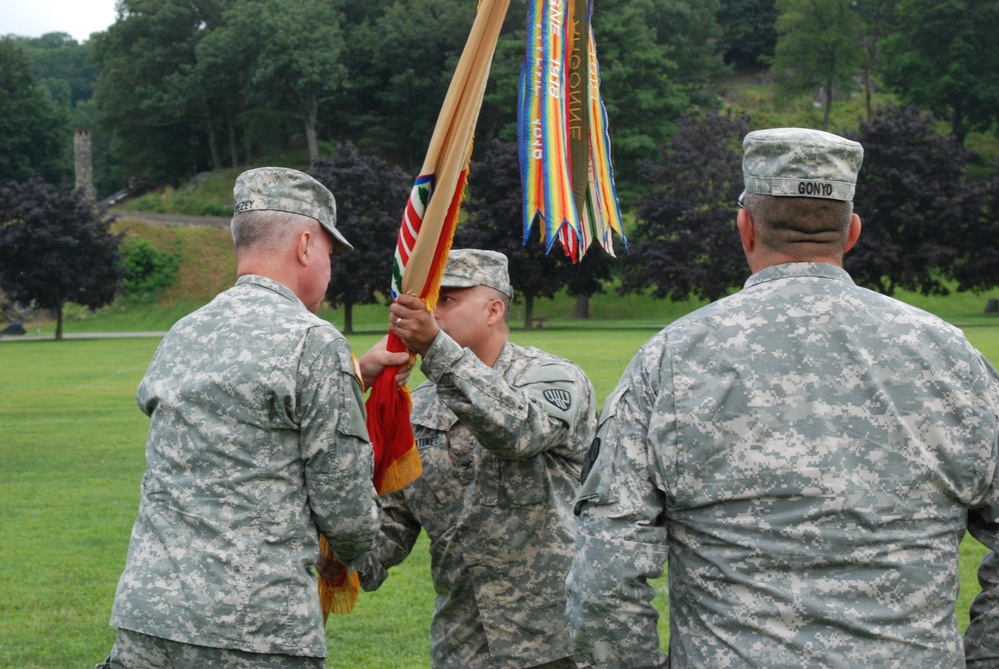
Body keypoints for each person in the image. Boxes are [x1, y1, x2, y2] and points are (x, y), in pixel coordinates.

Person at [567, 128, 999, 668]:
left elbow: (606, 570)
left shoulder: (672, 360)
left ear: (745, 227)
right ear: (853, 232)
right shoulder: (951, 358)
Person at [101, 167, 410, 669]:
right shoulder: (314, 341)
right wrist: (362, 557)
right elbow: (346, 513)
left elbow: (236, 415)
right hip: (254, 629)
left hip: (148, 619)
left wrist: (352, 375)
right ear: (306, 245)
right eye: (330, 255)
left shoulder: (183, 332)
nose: (329, 271)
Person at [356, 249, 598, 669]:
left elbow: (518, 432)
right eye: (428, 303)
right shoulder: (417, 408)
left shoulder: (551, 377)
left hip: (556, 640)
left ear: (494, 309)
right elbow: (389, 525)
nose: (430, 314)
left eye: (446, 300)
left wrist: (434, 347)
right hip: (464, 644)